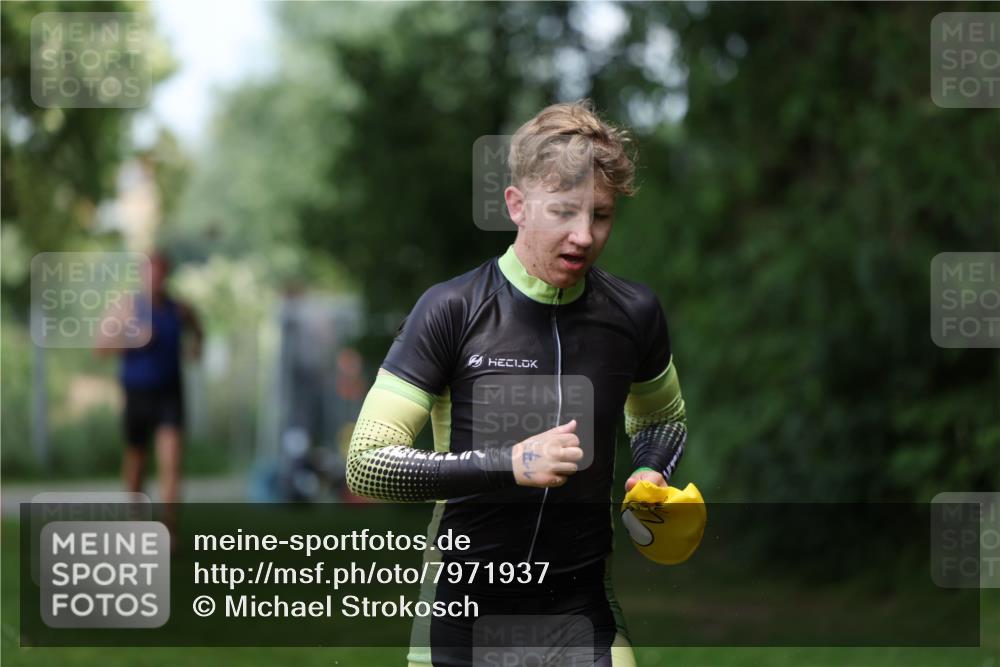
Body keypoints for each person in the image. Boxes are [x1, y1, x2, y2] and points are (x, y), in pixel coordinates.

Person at [347, 100, 687, 667]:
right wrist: (511, 463)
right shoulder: (452, 309)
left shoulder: (633, 313)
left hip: (582, 612)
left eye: (601, 215)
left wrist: (652, 469)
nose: (584, 236)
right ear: (517, 205)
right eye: (564, 212)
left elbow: (661, 416)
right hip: (462, 617)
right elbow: (367, 464)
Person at [97, 253, 202, 514]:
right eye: (150, 273)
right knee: (137, 460)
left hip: (170, 392)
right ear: (141, 275)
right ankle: (137, 518)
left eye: (160, 273)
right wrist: (134, 340)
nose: (155, 279)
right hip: (137, 393)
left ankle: (170, 527)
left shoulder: (179, 309)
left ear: (167, 275)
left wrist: (195, 349)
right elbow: (100, 347)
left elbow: (199, 331)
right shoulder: (126, 307)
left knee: (172, 461)